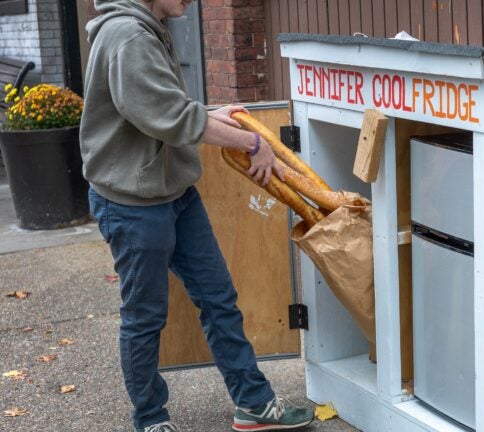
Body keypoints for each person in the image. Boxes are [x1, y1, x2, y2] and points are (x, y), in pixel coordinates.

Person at [80, 0, 314, 431]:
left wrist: (207, 113)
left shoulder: (150, 26)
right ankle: (151, 418)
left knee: (218, 297)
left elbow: (163, 105)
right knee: (145, 316)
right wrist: (251, 143)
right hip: (133, 204)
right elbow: (169, 117)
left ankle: (253, 403)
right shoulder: (128, 36)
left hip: (175, 194)